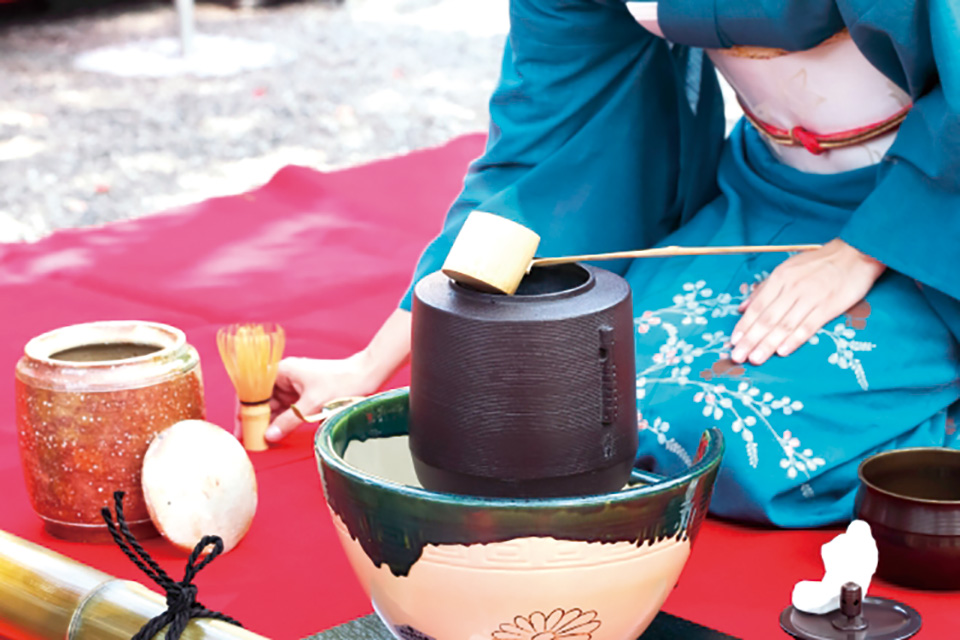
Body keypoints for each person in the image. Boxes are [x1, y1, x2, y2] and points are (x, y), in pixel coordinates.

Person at [263, 0, 960, 527]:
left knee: (739, 439)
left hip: (928, 208)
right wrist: (376, 358)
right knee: (590, 399)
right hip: (766, 194)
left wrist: (864, 248)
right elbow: (547, 147)